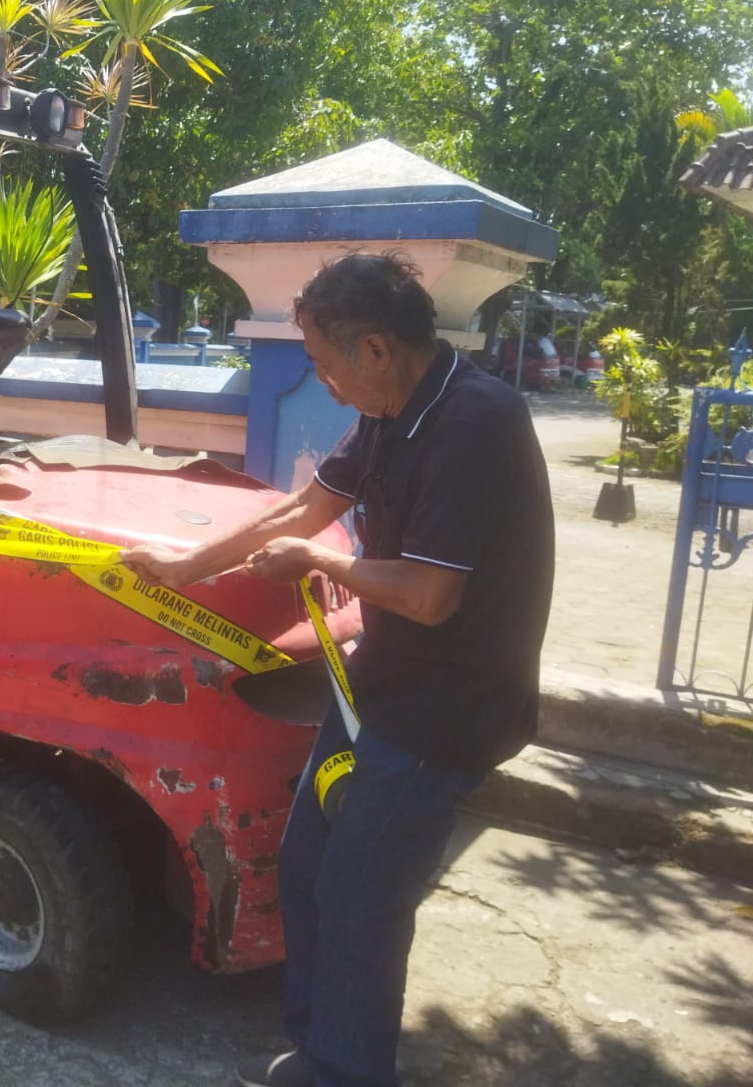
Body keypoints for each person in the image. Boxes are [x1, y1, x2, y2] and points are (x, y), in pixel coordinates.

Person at [122, 252, 554, 1087]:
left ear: (377, 350)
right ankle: (316, 1050)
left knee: (361, 900)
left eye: (323, 362)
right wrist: (183, 568)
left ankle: (346, 1072)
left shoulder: (473, 422)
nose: (320, 381)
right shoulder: (394, 409)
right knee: (308, 866)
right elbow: (302, 509)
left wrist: (330, 565)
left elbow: (429, 594)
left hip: (443, 712)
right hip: (376, 689)